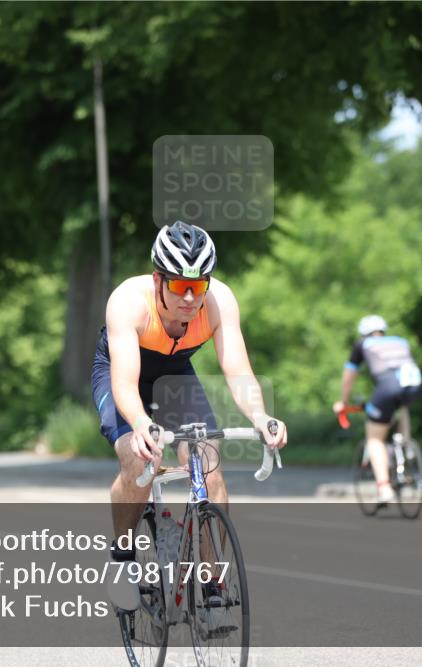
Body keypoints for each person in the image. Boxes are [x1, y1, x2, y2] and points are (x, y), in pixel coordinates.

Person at [91, 220, 288, 610]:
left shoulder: (220, 301)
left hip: (176, 375)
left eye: (198, 287)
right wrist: (142, 423)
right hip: (120, 374)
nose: (189, 298)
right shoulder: (128, 302)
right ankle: (122, 557)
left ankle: (212, 578)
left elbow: (238, 370)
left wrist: (261, 416)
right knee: (138, 459)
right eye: (180, 285)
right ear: (158, 279)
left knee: (208, 461)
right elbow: (125, 384)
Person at [333, 315, 422, 506]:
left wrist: (343, 402)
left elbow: (349, 375)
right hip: (414, 382)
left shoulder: (363, 344)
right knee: (402, 405)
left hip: (388, 386)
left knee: (374, 439)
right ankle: (406, 448)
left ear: (363, 334)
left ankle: (384, 488)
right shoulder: (400, 341)